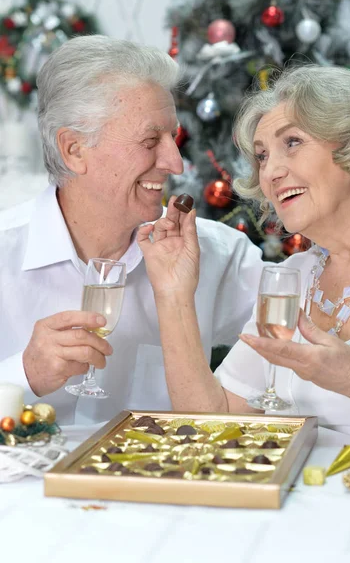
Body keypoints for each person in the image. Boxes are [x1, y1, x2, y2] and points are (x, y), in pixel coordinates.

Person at [0, 35, 264, 425]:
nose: (176, 163)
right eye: (149, 140)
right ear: (74, 150)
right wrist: (22, 375)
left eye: (171, 137)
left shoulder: (216, 255)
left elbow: (311, 342)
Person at [138, 64, 350, 446]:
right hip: (311, 501)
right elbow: (213, 425)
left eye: (292, 142)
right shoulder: (292, 277)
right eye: (262, 157)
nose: (271, 172)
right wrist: (173, 291)